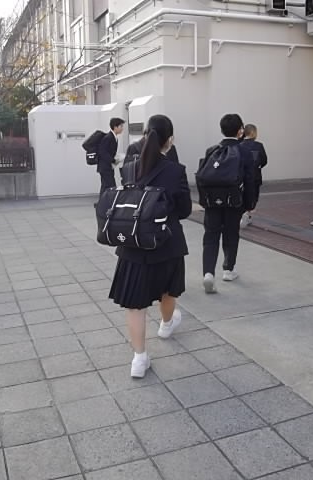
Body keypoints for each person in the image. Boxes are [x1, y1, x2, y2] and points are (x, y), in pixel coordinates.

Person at [109, 114, 192, 378]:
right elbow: (184, 210)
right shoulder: (176, 171)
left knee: (135, 304)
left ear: (145, 136)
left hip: (133, 243)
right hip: (167, 243)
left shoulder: (129, 168)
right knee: (168, 291)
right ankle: (166, 325)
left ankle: (139, 358)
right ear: (170, 140)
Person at [200, 114, 253, 293]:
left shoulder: (211, 150)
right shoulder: (244, 152)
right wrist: (249, 204)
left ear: (222, 130)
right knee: (231, 234)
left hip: (212, 202)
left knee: (210, 236)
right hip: (234, 201)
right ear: (240, 131)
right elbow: (250, 180)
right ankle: (228, 269)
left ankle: (208, 273)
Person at [240, 124, 268, 227]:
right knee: (253, 196)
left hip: (242, 176)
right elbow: (264, 160)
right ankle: (247, 213)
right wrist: (257, 166)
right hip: (255, 176)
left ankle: (243, 214)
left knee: (243, 196)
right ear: (254, 132)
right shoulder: (258, 146)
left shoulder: (240, 145)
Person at [97, 117, 125, 194]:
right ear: (115, 127)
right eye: (121, 126)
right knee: (110, 186)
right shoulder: (108, 137)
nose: (122, 128)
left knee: (106, 187)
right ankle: (107, 200)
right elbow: (102, 151)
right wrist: (113, 160)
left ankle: (103, 201)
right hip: (105, 167)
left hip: (107, 167)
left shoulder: (114, 137)